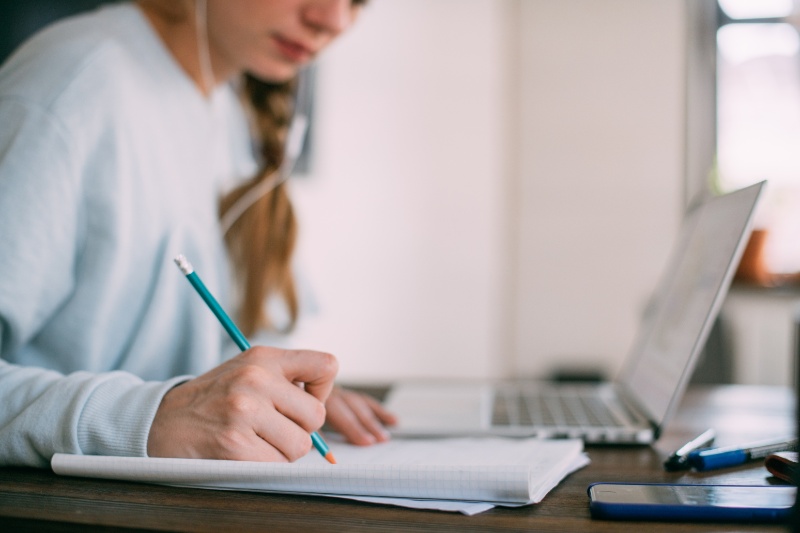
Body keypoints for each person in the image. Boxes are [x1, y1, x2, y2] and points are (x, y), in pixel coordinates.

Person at [0, 0, 396, 468]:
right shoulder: (70, 87)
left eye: (357, 1)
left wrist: (276, 402)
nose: (333, 20)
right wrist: (149, 418)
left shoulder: (223, 104)